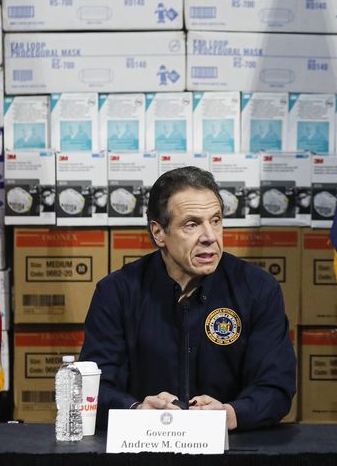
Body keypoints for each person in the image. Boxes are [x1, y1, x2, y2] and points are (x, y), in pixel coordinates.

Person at [80, 166, 296, 431]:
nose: (209, 237)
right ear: (159, 233)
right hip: (143, 450)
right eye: (192, 224)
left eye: (215, 220)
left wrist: (229, 414)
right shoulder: (116, 292)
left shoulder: (259, 289)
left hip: (234, 451)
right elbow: (94, 388)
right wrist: (136, 410)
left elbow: (277, 387)